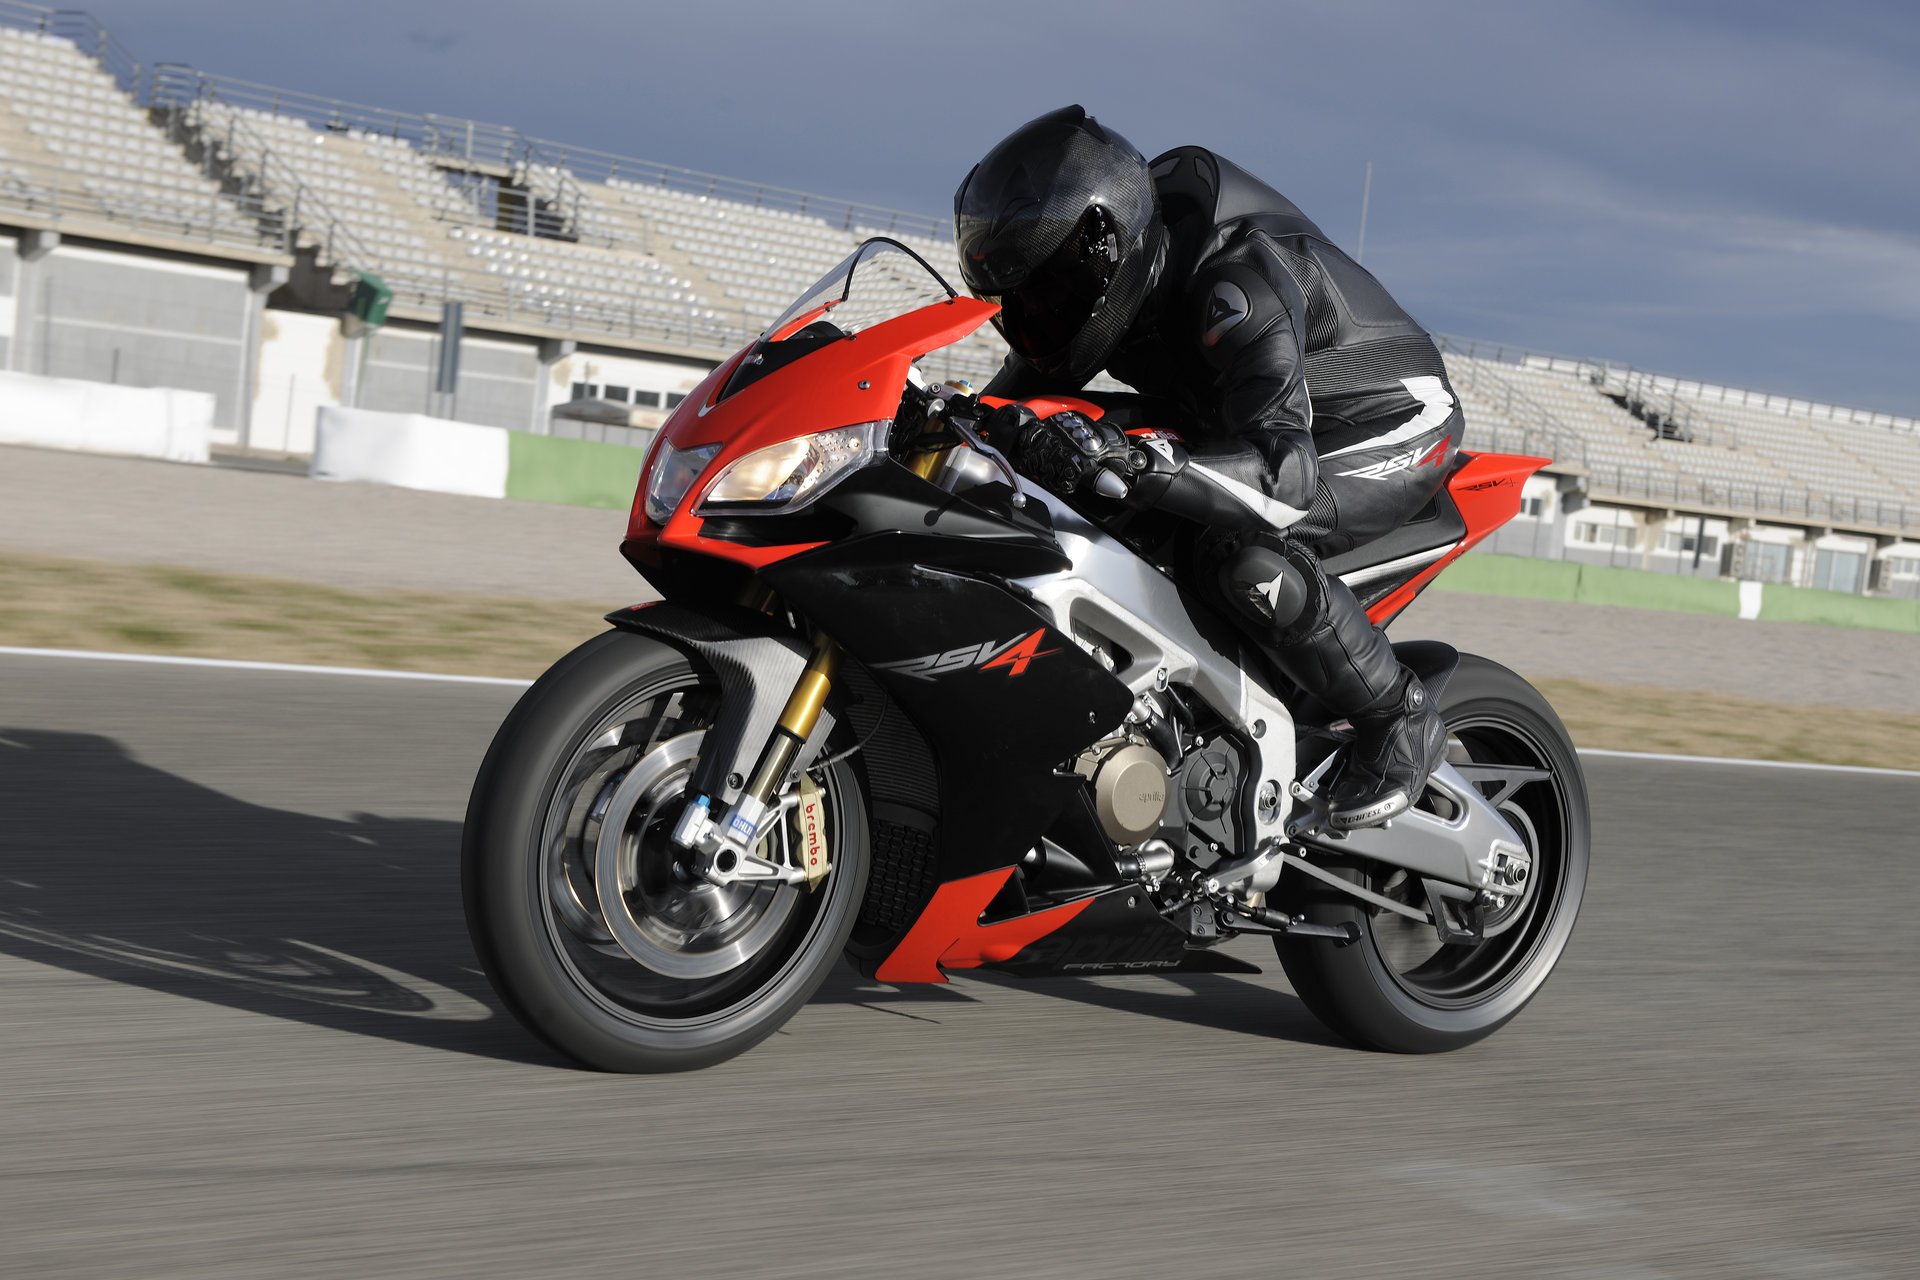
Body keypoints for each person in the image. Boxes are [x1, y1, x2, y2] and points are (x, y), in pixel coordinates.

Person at [954, 105, 1460, 830]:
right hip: (1240, 416)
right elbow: (1007, 399)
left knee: (1242, 551)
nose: (1034, 315)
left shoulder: (1236, 286)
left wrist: (1138, 464)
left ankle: (1399, 722)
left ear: (1105, 249)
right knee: (1052, 455)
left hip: (1379, 426)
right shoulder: (1118, 281)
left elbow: (1286, 480)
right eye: (1017, 303)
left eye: (1051, 292)